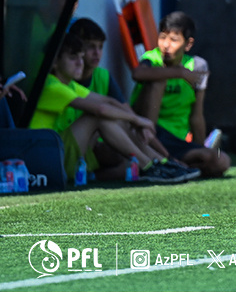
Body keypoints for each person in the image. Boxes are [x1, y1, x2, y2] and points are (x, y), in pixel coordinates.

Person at [29, 32, 185, 183]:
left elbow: (109, 102)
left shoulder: (69, 84)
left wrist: (136, 121)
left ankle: (159, 163)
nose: (80, 63)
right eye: (72, 58)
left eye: (81, 58)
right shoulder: (50, 84)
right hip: (45, 156)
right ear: (54, 62)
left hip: (58, 151)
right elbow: (100, 110)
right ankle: (148, 165)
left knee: (116, 118)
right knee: (97, 117)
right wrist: (137, 120)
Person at [131, 12, 231, 178]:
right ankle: (162, 161)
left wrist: (200, 147)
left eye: (174, 40)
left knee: (221, 161)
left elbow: (196, 116)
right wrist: (178, 73)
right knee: (159, 79)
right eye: (162, 37)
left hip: (177, 141)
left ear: (188, 44)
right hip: (149, 134)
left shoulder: (197, 66)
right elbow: (137, 74)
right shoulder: (151, 59)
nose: (166, 45)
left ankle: (177, 165)